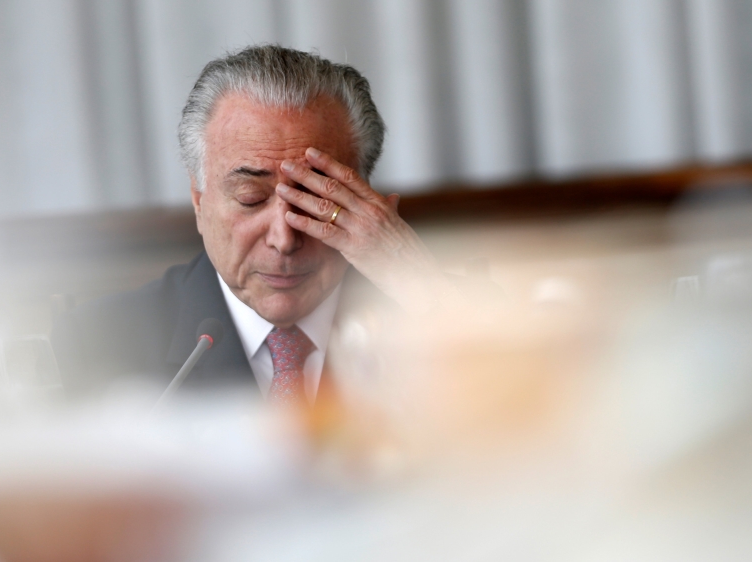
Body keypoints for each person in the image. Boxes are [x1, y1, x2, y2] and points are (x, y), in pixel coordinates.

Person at [51, 45, 465, 407]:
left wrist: (421, 290)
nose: (284, 240)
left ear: (366, 202)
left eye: (316, 201)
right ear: (199, 200)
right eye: (251, 199)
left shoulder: (443, 313)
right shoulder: (101, 341)